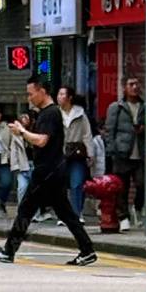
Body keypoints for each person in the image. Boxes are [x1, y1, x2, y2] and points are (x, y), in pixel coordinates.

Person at [0, 78, 97, 266]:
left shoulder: (50, 113)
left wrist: (22, 132)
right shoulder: (48, 113)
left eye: (31, 93)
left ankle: (8, 251)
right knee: (66, 213)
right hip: (53, 171)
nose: (29, 98)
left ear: (42, 91)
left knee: (25, 210)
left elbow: (42, 141)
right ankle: (87, 250)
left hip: (46, 172)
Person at [104, 77, 145, 231]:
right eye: (131, 84)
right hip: (122, 153)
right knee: (122, 187)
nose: (135, 87)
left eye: (137, 84)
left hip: (140, 153)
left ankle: (138, 207)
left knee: (141, 184)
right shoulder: (117, 107)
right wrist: (112, 150)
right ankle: (124, 217)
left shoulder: (145, 106)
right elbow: (109, 131)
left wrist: (143, 129)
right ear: (124, 88)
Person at [58, 85, 93, 220]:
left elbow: (87, 135)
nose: (59, 97)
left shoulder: (80, 114)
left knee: (77, 183)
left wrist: (90, 153)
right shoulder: (56, 113)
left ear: (69, 97)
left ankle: (76, 213)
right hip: (60, 154)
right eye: (59, 94)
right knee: (61, 185)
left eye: (62, 94)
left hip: (77, 154)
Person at [10, 110, 32, 205]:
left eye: (27, 118)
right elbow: (13, 152)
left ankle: (36, 214)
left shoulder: (34, 133)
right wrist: (15, 166)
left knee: (35, 190)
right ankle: (22, 211)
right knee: (22, 188)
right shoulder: (16, 136)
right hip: (23, 165)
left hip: (34, 164)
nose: (25, 120)